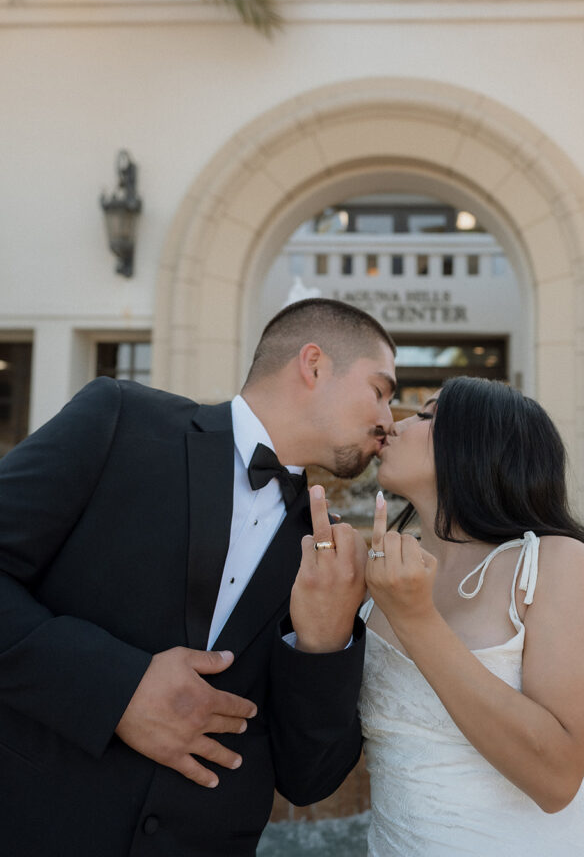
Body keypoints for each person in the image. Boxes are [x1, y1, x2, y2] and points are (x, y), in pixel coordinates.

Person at [0, 298, 397, 857]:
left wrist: (325, 641)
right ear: (313, 364)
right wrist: (117, 690)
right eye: (380, 390)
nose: (388, 420)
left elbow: (310, 779)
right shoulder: (119, 420)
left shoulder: (327, 551)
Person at [360, 376, 584, 857]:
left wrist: (417, 620)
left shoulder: (553, 561)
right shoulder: (382, 576)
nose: (397, 426)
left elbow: (555, 779)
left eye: (427, 416)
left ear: (479, 446)